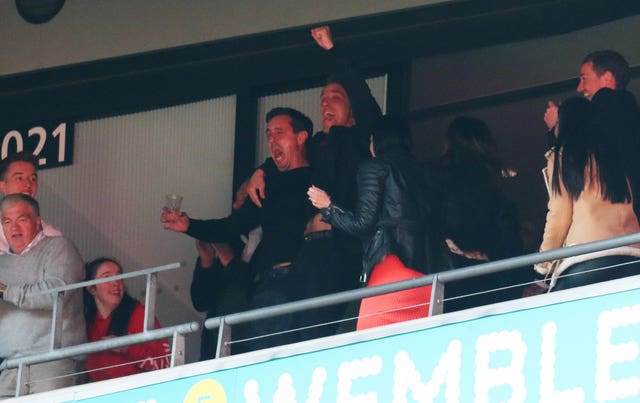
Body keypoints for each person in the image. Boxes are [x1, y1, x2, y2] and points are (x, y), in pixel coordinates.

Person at [244, 26, 383, 337]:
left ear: (352, 111)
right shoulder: (319, 143)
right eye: (322, 99)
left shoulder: (361, 138)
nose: (325, 104)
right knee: (292, 329)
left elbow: (363, 97)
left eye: (335, 98)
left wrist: (333, 52)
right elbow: (289, 156)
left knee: (315, 328)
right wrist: (263, 169)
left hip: (339, 247)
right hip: (307, 251)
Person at [162, 107, 312, 350]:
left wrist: (263, 169)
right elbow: (231, 227)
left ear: (301, 136)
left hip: (303, 281)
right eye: (268, 134)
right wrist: (189, 225)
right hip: (268, 285)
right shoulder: (267, 186)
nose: (272, 139)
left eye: (279, 132)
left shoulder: (319, 174)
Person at [308, 116, 431, 330]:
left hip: (390, 266)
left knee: (358, 343)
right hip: (425, 270)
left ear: (376, 141)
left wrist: (328, 205)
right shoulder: (421, 171)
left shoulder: (375, 167)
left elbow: (362, 223)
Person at [536, 93, 640, 291]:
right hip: (633, 255)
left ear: (564, 125)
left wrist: (543, 266)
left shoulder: (561, 157)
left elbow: (559, 217)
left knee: (555, 312)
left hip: (589, 257)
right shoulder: (613, 157)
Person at [426, 117, 527, 312]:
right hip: (486, 277)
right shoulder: (493, 186)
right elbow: (508, 240)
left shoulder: (431, 179)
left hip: (444, 278)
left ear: (448, 143)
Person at [0, 194, 85, 397]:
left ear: (38, 221)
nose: (14, 227)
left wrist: (6, 291)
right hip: (10, 365)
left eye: (21, 219)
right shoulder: (2, 263)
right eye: (6, 221)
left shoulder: (59, 247)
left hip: (52, 360)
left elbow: (56, 293)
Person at [83, 257, 171, 382]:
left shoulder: (138, 313)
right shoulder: (86, 323)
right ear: (91, 288)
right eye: (107, 277)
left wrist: (128, 348)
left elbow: (165, 364)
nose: (115, 283)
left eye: (119, 277)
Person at [543, 50, 630, 140]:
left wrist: (557, 127)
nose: (579, 88)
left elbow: (582, 153)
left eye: (584, 79)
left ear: (607, 78)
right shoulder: (628, 116)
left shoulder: (605, 122)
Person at [190, 239, 252, 359]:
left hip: (249, 353)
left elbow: (251, 288)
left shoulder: (268, 243)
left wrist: (229, 260)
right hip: (214, 353)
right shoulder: (232, 241)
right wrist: (206, 262)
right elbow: (200, 302)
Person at [0, 152, 62, 253]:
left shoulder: (50, 235)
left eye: (33, 179)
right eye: (19, 178)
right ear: (2, 186)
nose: (28, 184)